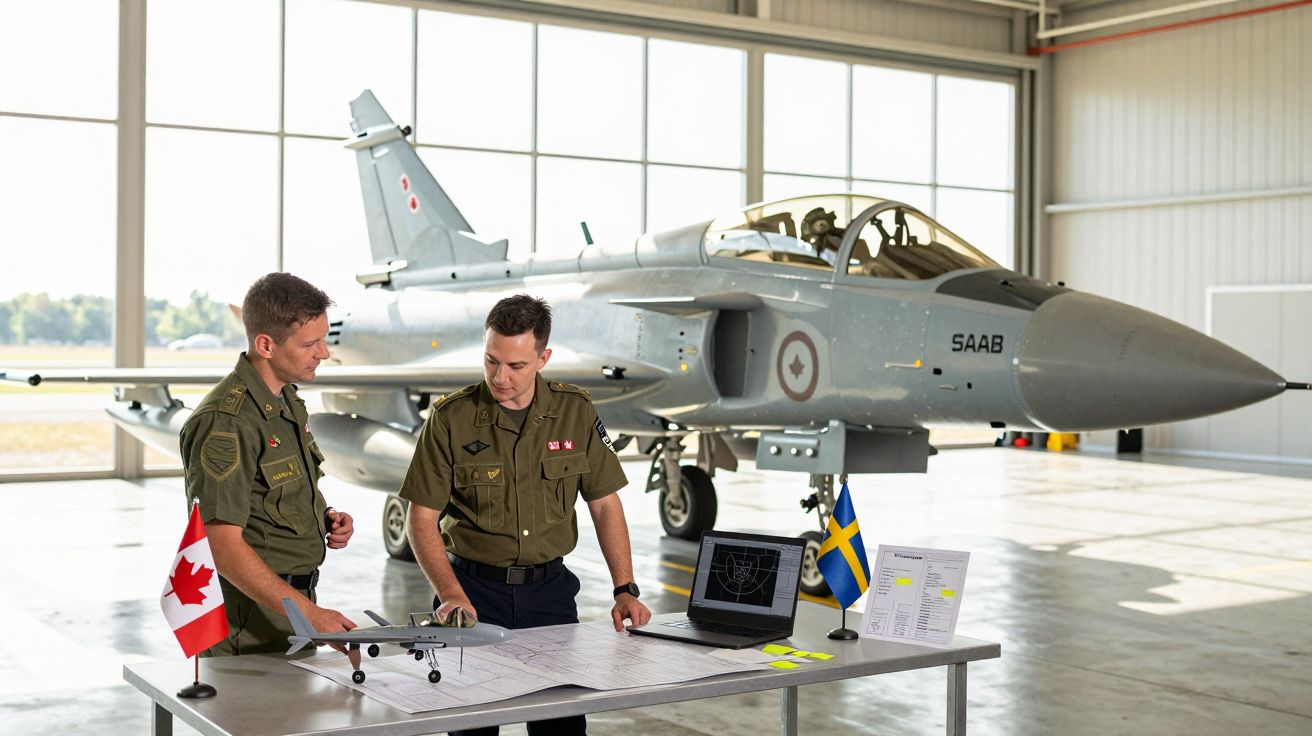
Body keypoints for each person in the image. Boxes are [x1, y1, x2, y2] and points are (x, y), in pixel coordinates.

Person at [400, 294, 651, 736]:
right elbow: (421, 519)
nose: (500, 377)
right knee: (473, 727)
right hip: (474, 594)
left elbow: (604, 503)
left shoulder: (575, 412)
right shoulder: (451, 418)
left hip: (550, 596)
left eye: (515, 366)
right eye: (491, 361)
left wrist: (624, 588)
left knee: (561, 727)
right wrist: (450, 594)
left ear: (543, 358)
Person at [179, 272, 357, 656]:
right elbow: (221, 547)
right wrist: (310, 615)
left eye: (324, 340)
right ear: (266, 345)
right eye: (310, 343)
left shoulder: (285, 401)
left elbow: (273, 492)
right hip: (247, 629)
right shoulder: (226, 422)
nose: (323, 353)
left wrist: (323, 515)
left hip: (287, 614)